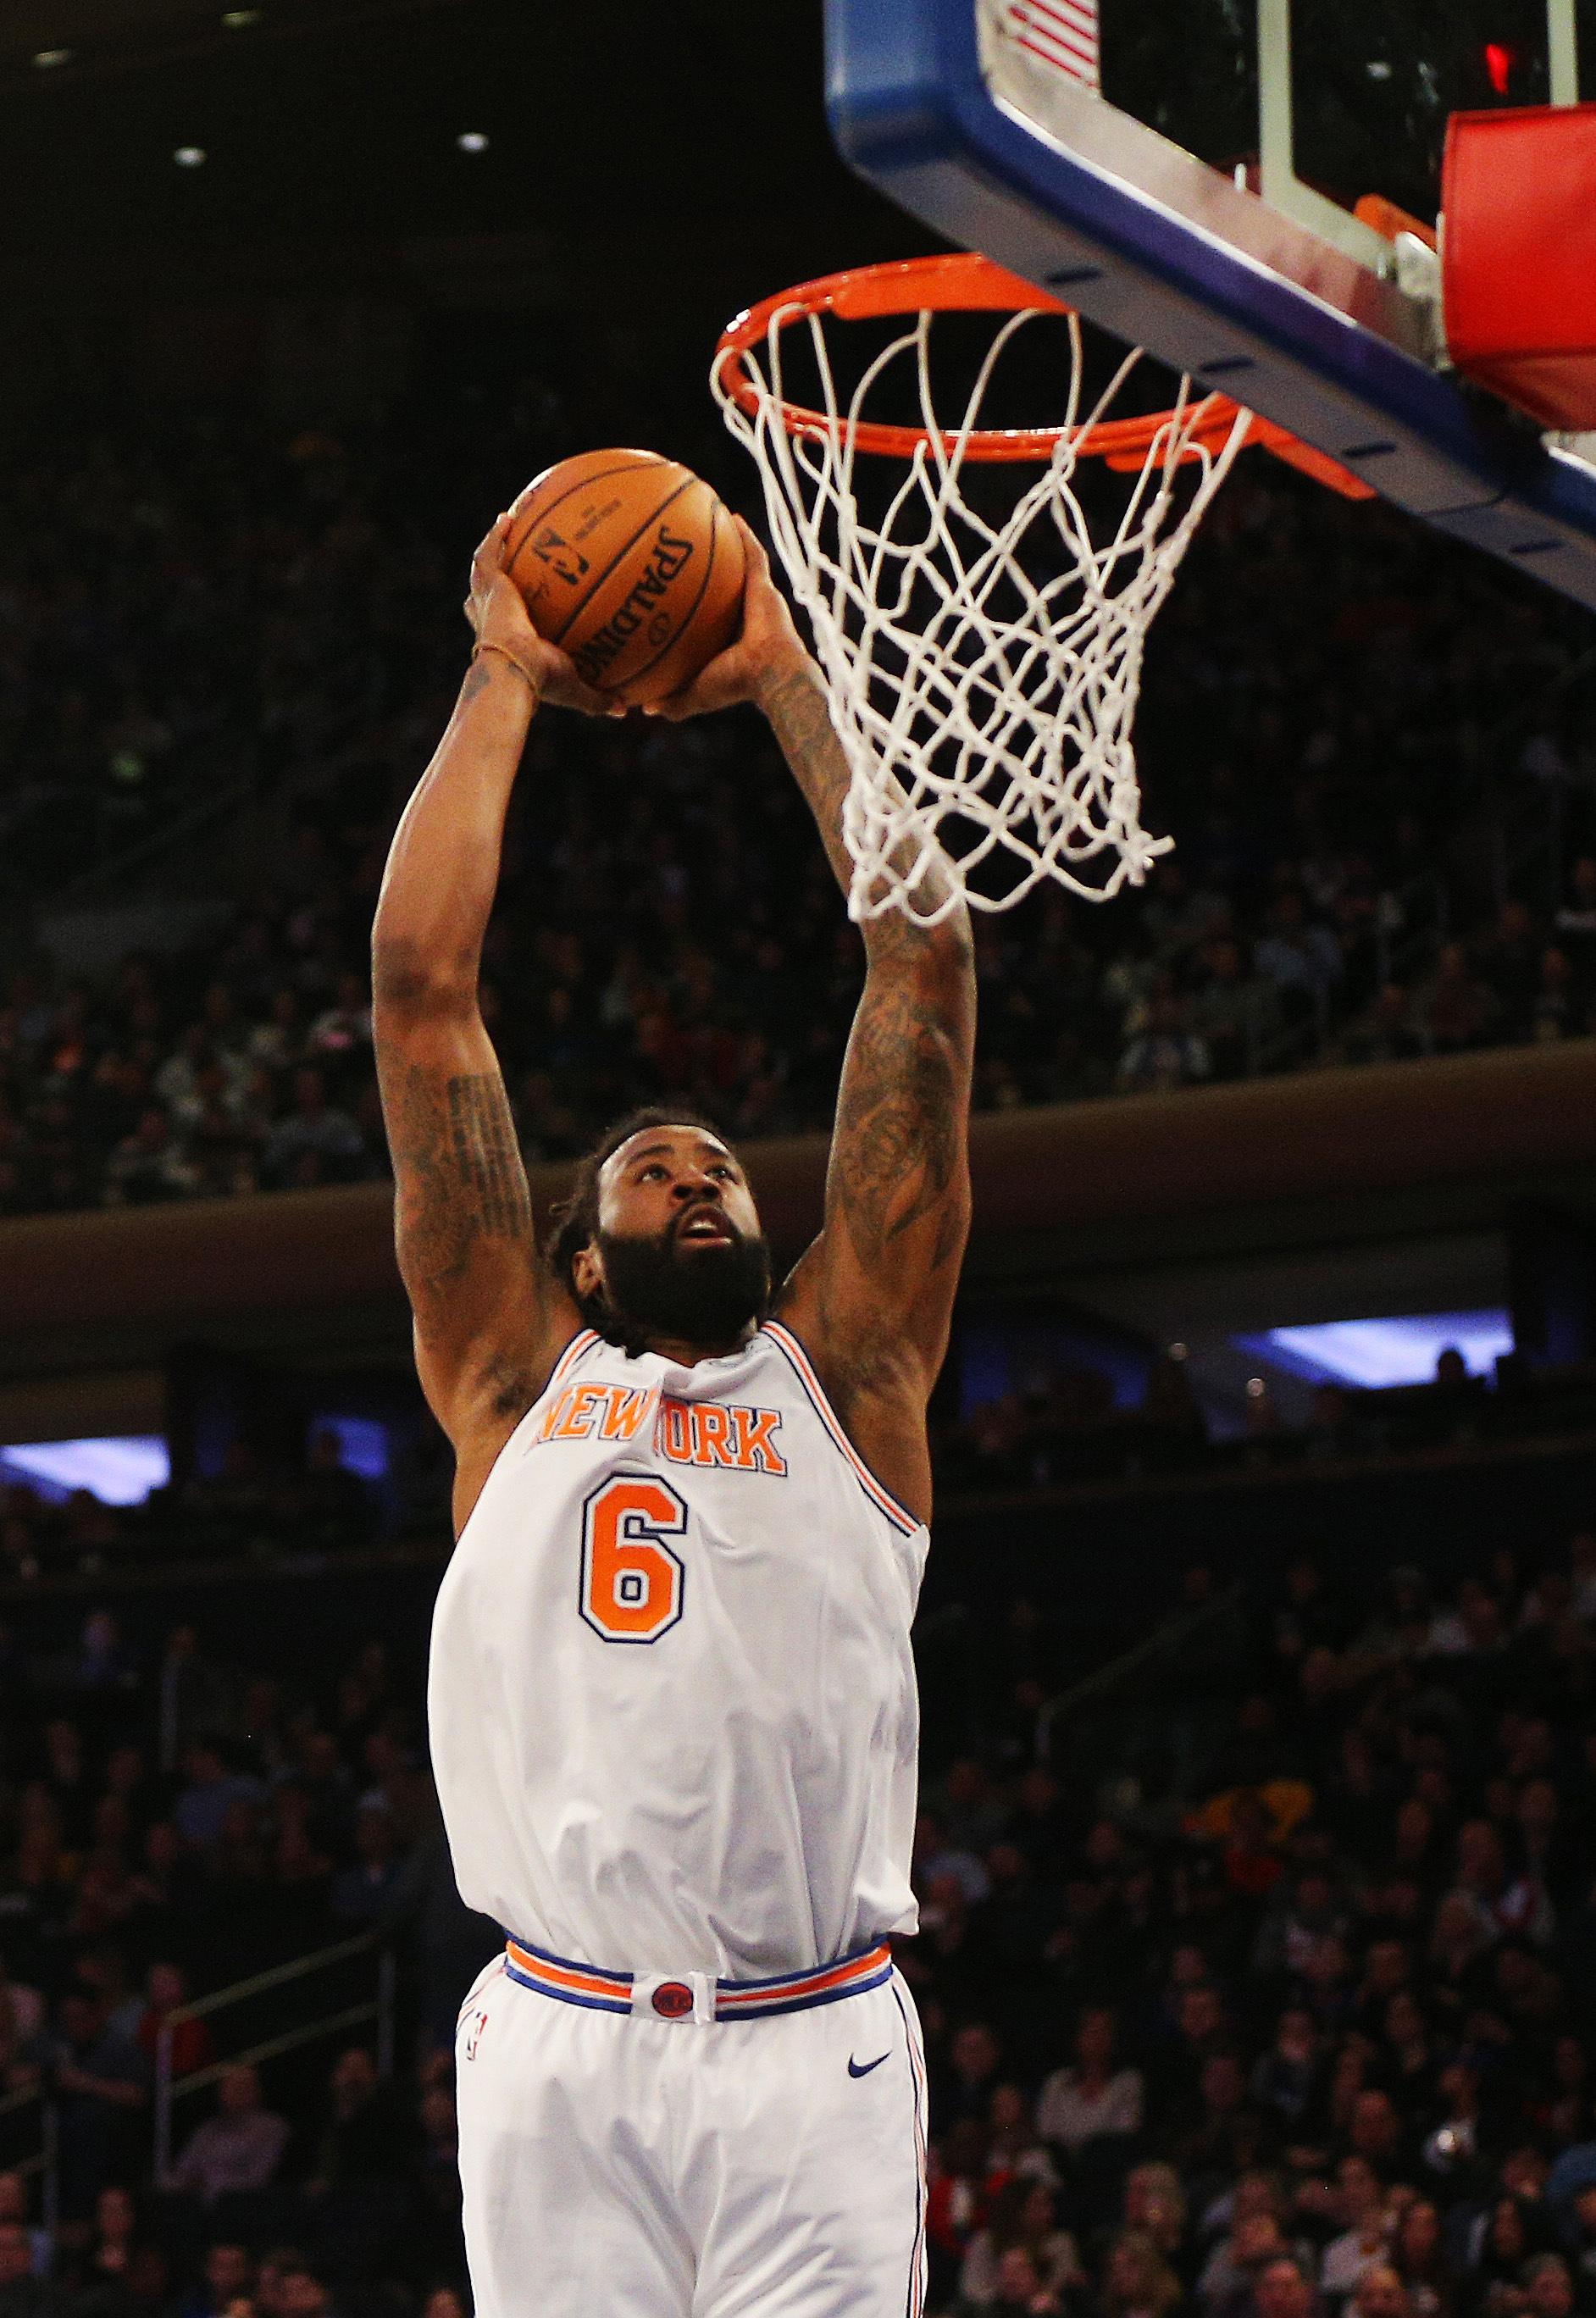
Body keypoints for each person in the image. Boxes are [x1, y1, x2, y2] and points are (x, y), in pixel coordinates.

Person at [371, 513, 976, 2316]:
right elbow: (421, 1003)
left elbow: (922, 972)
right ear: (577, 1264)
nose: (702, 1179)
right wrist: (504, 677)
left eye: (720, 1168)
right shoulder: (508, 1384)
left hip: (814, 2056)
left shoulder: (849, 1378)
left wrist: (787, 671)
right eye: (650, 1173)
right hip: (560, 2046)